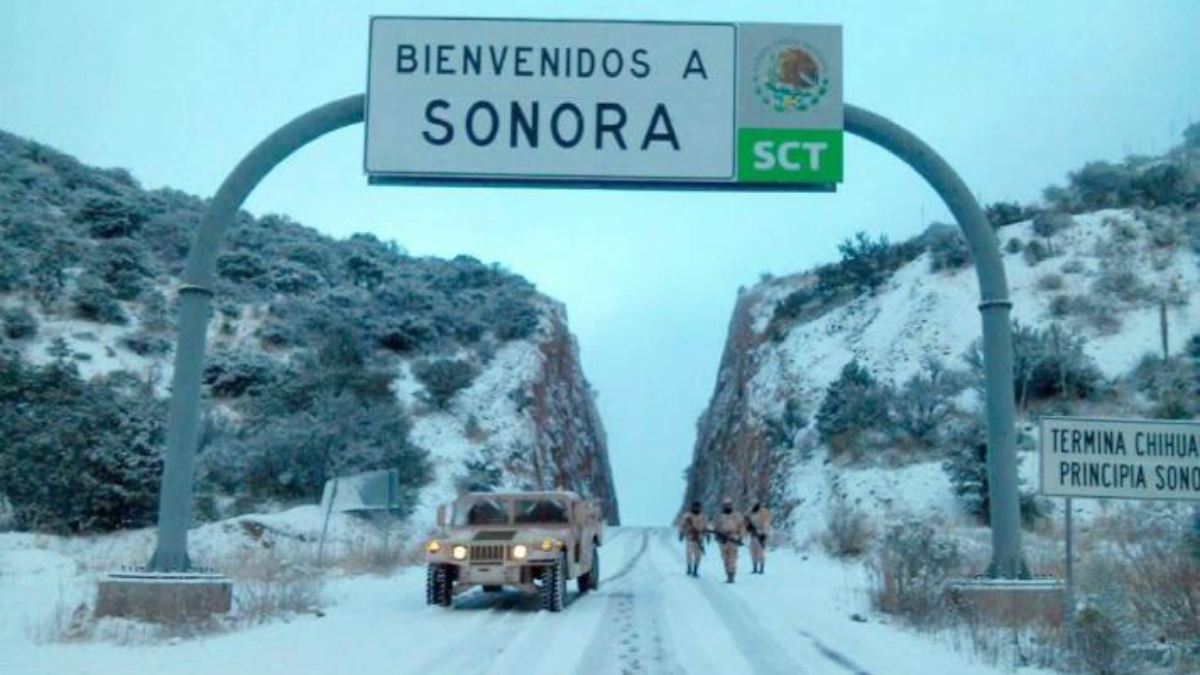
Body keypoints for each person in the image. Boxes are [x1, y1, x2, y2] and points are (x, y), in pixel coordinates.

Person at [712, 498, 745, 583]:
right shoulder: (720, 516)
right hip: (723, 541)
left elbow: (742, 526)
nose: (727, 506)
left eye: (729, 504)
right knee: (725, 559)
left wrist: (740, 536)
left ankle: (732, 575)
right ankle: (728, 574)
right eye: (726, 505)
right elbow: (715, 527)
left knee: (732, 558)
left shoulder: (737, 515)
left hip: (733, 538)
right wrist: (718, 536)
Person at [677, 501, 707, 577]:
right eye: (695, 507)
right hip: (690, 537)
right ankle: (689, 568)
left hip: (699, 538)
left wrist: (707, 535)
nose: (696, 508)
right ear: (692, 507)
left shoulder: (702, 516)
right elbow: (682, 525)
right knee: (689, 554)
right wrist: (681, 533)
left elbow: (705, 526)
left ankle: (695, 570)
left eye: (698, 507)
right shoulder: (687, 516)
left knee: (698, 556)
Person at [745, 501, 772, 574]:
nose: (753, 506)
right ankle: (755, 568)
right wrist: (748, 527)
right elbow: (748, 523)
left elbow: (766, 524)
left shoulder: (763, 513)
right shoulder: (751, 513)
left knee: (760, 553)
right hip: (753, 535)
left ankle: (761, 568)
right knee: (753, 552)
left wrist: (764, 535)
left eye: (754, 505)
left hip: (760, 535)